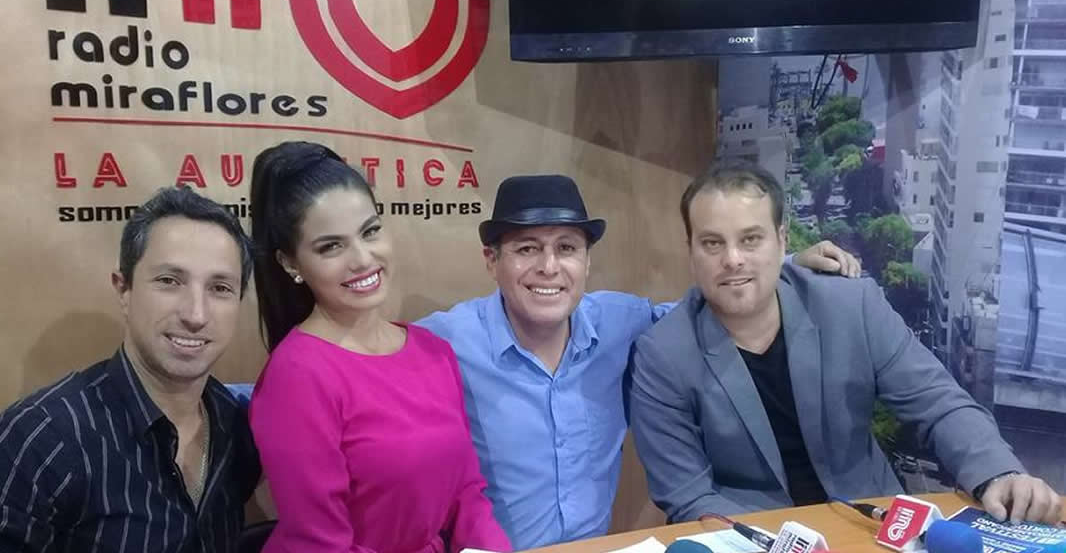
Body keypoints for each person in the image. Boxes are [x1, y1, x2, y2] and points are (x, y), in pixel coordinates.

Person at [416, 173, 862, 549]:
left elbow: (709, 303)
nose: (549, 267)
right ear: (491, 261)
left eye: (567, 248)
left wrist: (784, 264)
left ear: (587, 263)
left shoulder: (621, 322)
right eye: (527, 249)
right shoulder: (441, 343)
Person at [627, 159, 1063, 525]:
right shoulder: (662, 355)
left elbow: (939, 402)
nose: (733, 259)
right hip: (752, 536)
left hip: (871, 524)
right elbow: (688, 496)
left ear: (781, 240)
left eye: (751, 239)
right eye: (712, 243)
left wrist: (998, 472)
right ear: (690, 250)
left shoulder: (851, 305)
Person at [247, 142, 510, 553]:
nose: (362, 258)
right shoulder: (296, 377)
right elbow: (320, 544)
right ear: (290, 263)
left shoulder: (433, 351)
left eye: (370, 231)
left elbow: (467, 495)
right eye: (331, 246)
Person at [0, 187, 261, 553]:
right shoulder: (42, 439)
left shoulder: (237, 426)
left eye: (220, 288)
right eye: (169, 281)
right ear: (124, 289)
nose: (196, 315)